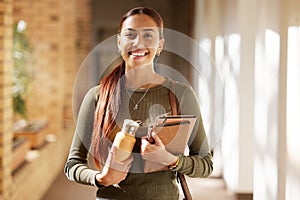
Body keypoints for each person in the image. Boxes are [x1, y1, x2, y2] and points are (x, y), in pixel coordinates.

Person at [64, 7, 213, 200]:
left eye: (148, 36)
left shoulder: (181, 94)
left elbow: (206, 165)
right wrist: (101, 178)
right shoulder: (98, 96)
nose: (138, 43)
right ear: (119, 42)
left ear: (160, 45)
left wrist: (170, 160)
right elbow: (73, 165)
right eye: (130, 35)